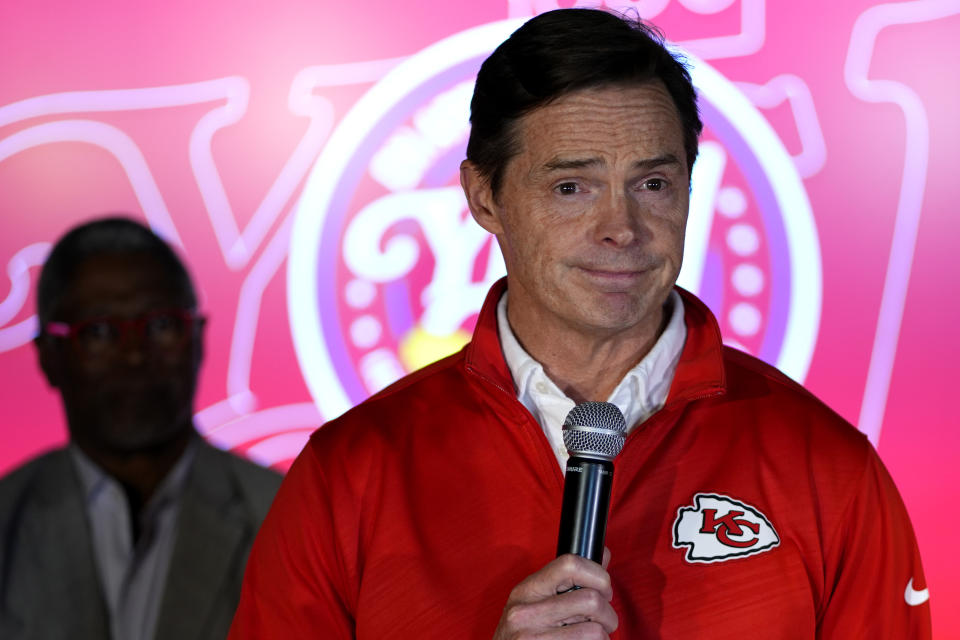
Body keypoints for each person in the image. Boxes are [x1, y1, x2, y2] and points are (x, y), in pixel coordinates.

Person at [228, 8, 931, 639]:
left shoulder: (829, 469)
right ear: (485, 198)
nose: (621, 228)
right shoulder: (349, 474)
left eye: (653, 184)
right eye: (572, 187)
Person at [0, 217, 282, 640]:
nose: (133, 355)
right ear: (47, 356)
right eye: (98, 332)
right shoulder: (8, 518)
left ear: (200, 339)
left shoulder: (286, 518)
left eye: (161, 326)